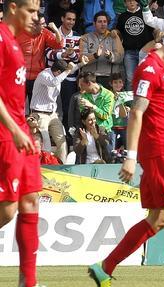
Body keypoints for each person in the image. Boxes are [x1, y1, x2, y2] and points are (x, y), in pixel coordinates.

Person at [88, 29, 164, 287]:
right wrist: (130, 156)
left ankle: (104, 267)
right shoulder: (150, 69)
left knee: (159, 219)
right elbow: (136, 112)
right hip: (162, 149)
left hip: (162, 145)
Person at [0, 0, 43, 286]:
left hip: (20, 131)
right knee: (7, 209)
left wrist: (24, 130)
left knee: (31, 201)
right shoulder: (1, 38)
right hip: (5, 133)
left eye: (38, 11)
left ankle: (27, 282)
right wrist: (14, 129)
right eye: (31, 10)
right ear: (13, 7)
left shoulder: (16, 42)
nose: (36, 17)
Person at [30, 59, 75, 163]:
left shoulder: (58, 74)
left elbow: (71, 70)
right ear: (59, 72)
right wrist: (67, 71)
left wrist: (81, 64)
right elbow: (54, 82)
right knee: (46, 144)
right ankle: (45, 167)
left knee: (62, 142)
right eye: (63, 73)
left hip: (53, 114)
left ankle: (61, 166)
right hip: (39, 113)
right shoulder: (43, 75)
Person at [45, 9, 82, 137]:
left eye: (73, 19)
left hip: (70, 78)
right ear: (62, 19)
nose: (71, 22)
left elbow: (77, 59)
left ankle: (66, 137)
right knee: (50, 107)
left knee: (67, 110)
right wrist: (64, 54)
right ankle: (49, 136)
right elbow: (48, 54)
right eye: (68, 19)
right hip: (52, 76)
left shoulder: (77, 36)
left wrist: (71, 53)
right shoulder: (51, 33)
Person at [18, 14, 64, 104]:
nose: (45, 25)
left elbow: (59, 45)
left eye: (44, 23)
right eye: (41, 24)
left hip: (37, 77)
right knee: (17, 107)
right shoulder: (19, 32)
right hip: (20, 76)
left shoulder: (45, 32)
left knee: (35, 106)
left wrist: (56, 30)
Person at [79, 11, 124, 87]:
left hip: (109, 78)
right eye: (100, 22)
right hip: (90, 77)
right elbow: (81, 58)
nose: (103, 24)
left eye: (105, 22)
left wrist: (110, 56)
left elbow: (120, 57)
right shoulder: (85, 38)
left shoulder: (113, 37)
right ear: (94, 24)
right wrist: (95, 55)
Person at [116, 0, 154, 90]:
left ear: (137, 2)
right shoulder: (122, 17)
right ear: (125, 4)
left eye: (133, 0)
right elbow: (118, 32)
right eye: (128, 1)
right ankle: (130, 103)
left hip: (145, 51)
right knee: (130, 78)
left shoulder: (145, 13)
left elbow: (154, 29)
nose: (131, 3)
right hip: (129, 52)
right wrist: (115, 32)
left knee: (146, 77)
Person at [109, 73, 132, 150]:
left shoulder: (126, 95)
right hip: (112, 127)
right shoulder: (107, 95)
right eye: (115, 82)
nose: (118, 84)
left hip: (125, 126)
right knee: (111, 149)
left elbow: (133, 108)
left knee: (128, 149)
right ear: (111, 83)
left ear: (123, 83)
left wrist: (129, 109)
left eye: (120, 82)